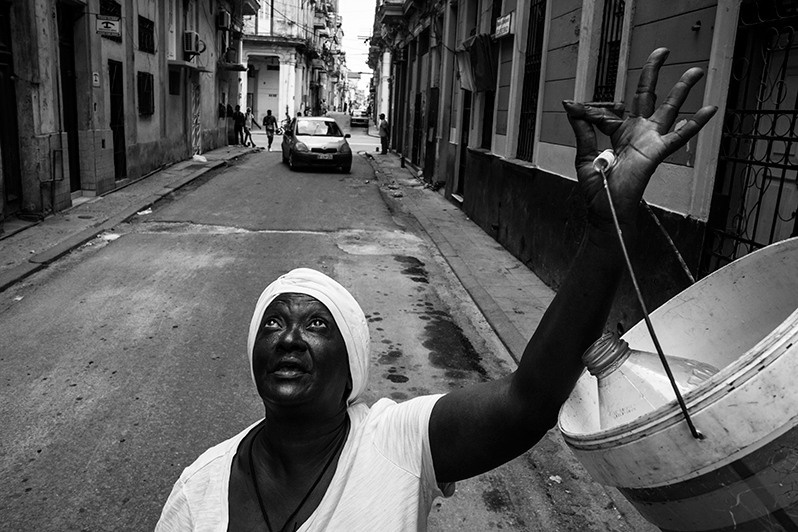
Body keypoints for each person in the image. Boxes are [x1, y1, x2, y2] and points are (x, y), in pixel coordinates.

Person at [155, 48, 716, 531]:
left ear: (353, 367)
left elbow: (527, 403)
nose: (290, 338)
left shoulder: (395, 443)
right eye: (274, 323)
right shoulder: (198, 488)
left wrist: (607, 230)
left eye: (317, 324)